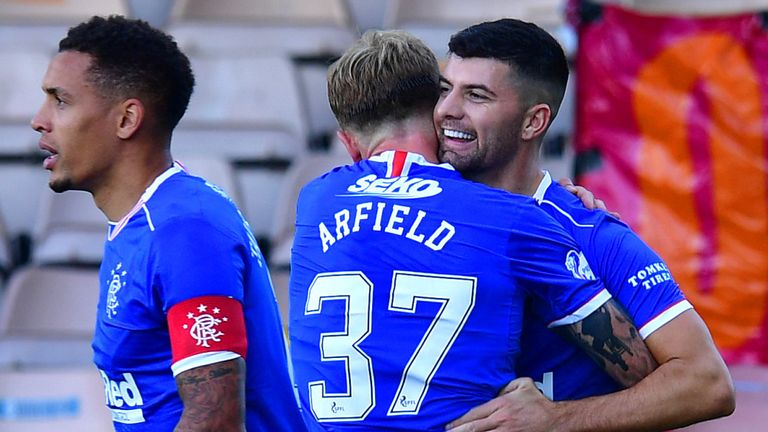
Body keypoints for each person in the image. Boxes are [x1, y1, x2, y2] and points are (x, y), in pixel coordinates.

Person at [288, 30, 656, 432]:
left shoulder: (315, 201)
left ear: (348, 143)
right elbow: (641, 374)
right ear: (436, 113)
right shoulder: (519, 218)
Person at [434, 18, 735, 431]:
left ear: (532, 122)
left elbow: (708, 383)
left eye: (476, 96)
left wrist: (557, 421)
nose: (447, 109)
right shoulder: (397, 209)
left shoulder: (592, 234)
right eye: (444, 89)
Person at [30, 15, 306, 431]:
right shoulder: (146, 222)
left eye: (60, 100)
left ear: (126, 120)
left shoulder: (185, 230)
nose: (39, 119)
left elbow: (215, 421)